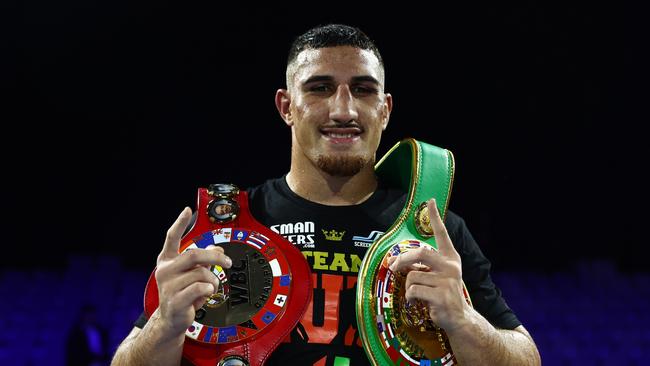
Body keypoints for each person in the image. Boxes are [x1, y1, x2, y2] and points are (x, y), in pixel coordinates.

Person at [111, 24, 541, 365]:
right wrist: (165, 326)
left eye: (363, 89)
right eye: (319, 88)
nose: (343, 110)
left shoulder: (432, 228)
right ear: (286, 106)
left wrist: (463, 322)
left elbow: (525, 357)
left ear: (385, 109)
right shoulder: (228, 228)